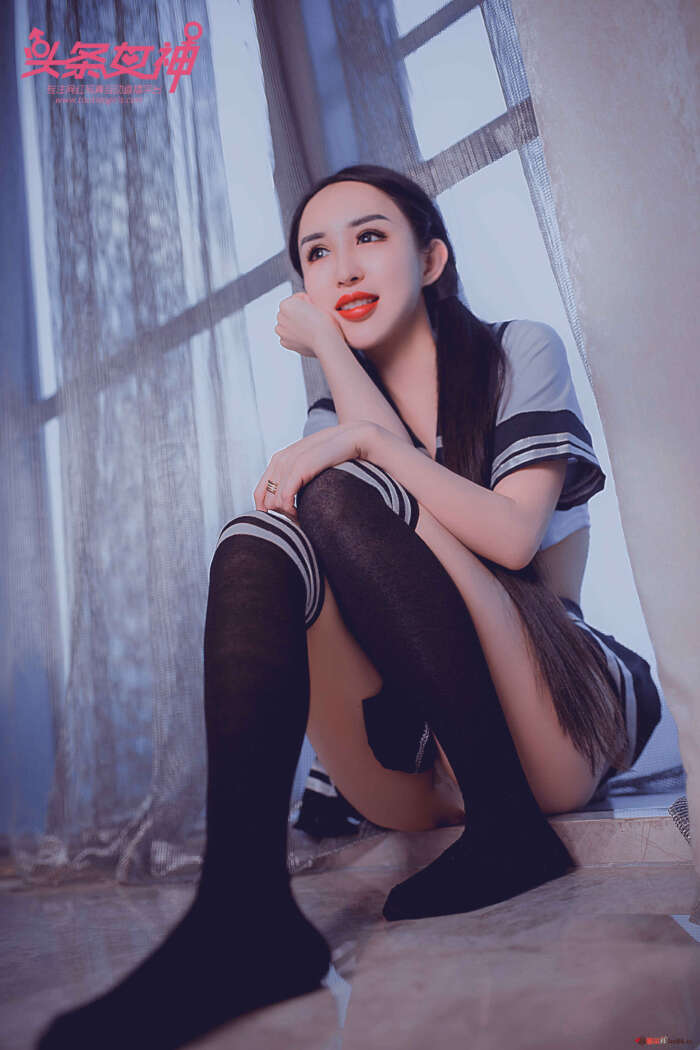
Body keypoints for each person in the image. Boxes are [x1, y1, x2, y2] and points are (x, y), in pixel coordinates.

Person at [36, 164, 661, 1050]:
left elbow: (513, 539)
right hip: (414, 767)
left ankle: (508, 827)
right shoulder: (332, 414)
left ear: (431, 259)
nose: (344, 268)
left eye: (370, 236)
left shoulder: (517, 350)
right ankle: (242, 911)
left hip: (551, 724)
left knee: (336, 486)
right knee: (258, 537)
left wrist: (354, 413)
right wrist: (345, 399)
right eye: (317, 254)